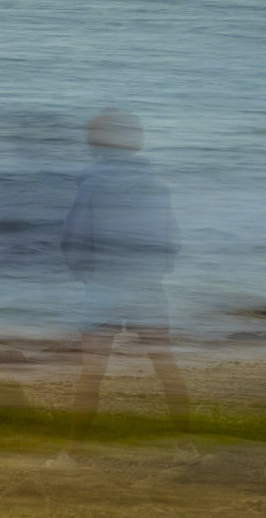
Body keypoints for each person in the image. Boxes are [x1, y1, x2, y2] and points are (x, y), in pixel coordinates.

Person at [51, 108, 189, 464]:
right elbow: (170, 239)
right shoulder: (157, 185)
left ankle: (72, 454)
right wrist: (155, 271)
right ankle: (185, 448)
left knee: (92, 373)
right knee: (165, 365)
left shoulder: (92, 182)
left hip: (105, 285)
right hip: (146, 284)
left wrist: (87, 275)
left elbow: (74, 239)